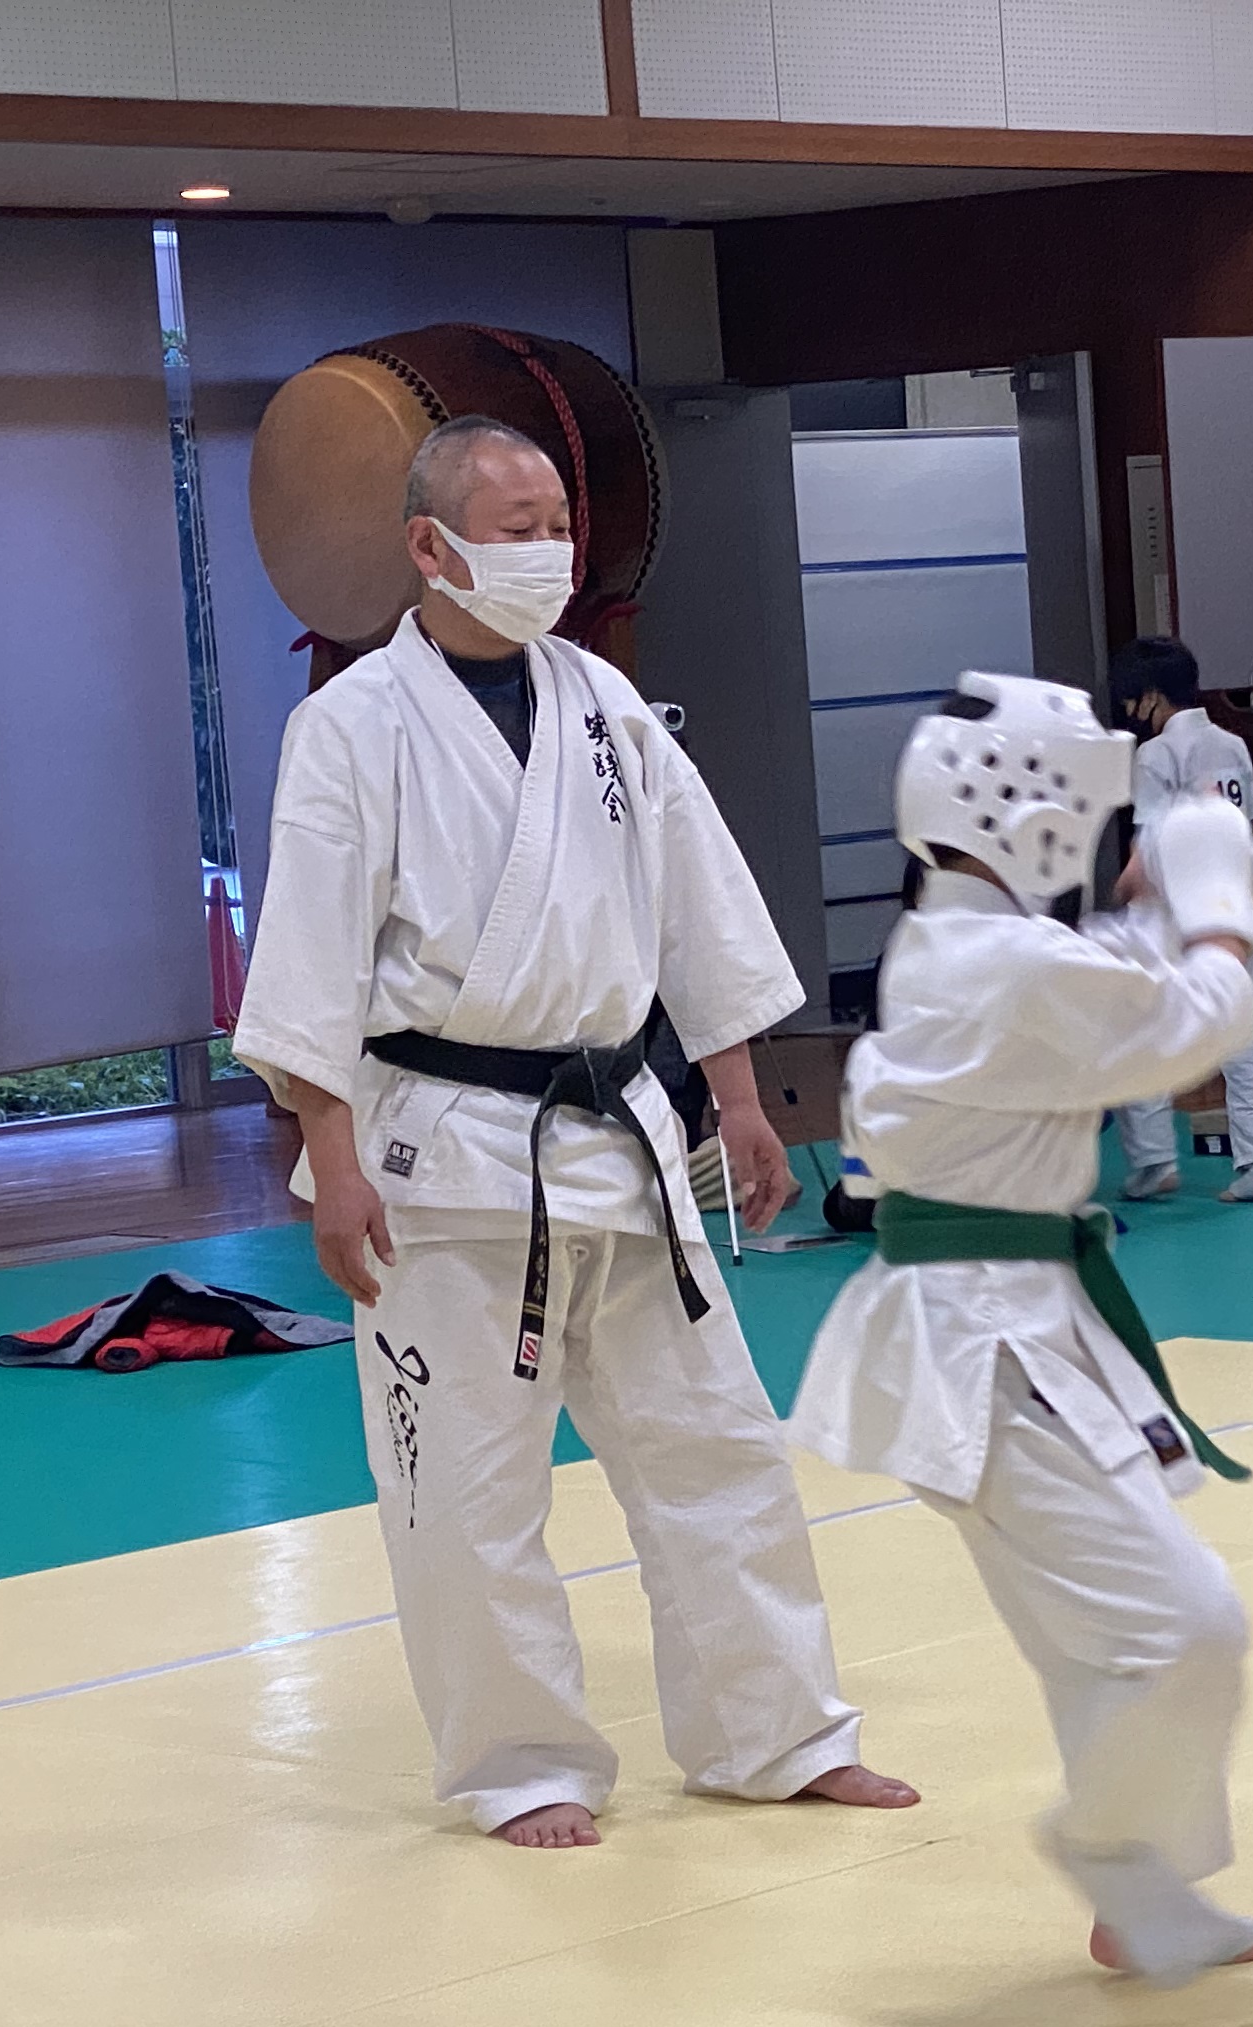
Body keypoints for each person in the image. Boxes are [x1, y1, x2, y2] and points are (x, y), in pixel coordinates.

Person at [234, 413, 914, 1846]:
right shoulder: (351, 727)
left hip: (629, 1139)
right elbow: (309, 959)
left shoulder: (603, 700)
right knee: (467, 1485)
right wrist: (330, 1165)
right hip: (442, 1156)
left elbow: (696, 907)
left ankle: (776, 1733)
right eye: (517, 527)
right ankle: (520, 1764)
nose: (548, 550)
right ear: (430, 547)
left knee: (720, 1449)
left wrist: (740, 1099)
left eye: (558, 525)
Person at [796, 680, 1253, 1982]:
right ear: (1019, 805)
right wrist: (1217, 876)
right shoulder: (1002, 963)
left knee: (1096, 1641)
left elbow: (1148, 958)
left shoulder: (968, 945)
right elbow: (1201, 1013)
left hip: (1009, 1320)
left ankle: (1141, 1892)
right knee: (1188, 1625)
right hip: (983, 1343)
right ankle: (1107, 1843)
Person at [1103, 637, 1253, 1208]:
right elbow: (1247, 827)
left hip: (1173, 912)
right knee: (1246, 1039)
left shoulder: (1154, 755)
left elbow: (1151, 840)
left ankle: (1155, 1160)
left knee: (1146, 1030)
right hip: (1233, 905)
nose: (1130, 712)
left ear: (1151, 697)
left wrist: (1131, 894)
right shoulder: (1233, 745)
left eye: (1131, 701)